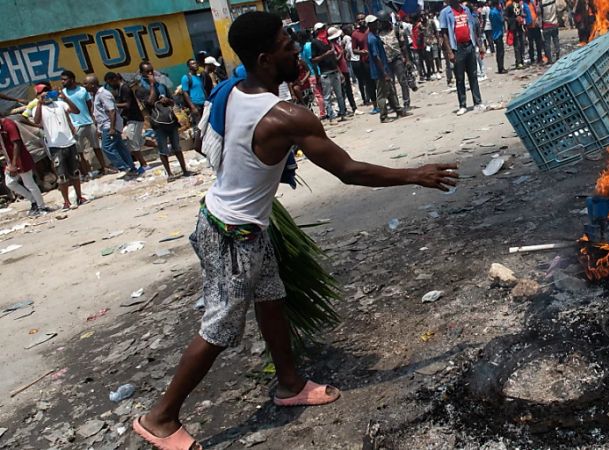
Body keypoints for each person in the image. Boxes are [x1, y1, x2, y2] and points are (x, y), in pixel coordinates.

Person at [131, 12, 459, 449]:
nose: (297, 50)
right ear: (266, 58)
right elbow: (348, 171)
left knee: (271, 300)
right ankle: (161, 418)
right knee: (220, 326)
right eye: (288, 46)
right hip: (232, 234)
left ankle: (289, 384)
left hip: (239, 224)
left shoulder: (232, 90)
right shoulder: (287, 116)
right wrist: (414, 174)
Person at [136, 62, 193, 181]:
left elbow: (173, 101)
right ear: (142, 73)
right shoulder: (141, 89)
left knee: (177, 147)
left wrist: (167, 100)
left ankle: (184, 170)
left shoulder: (161, 86)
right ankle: (169, 174)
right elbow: (149, 103)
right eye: (147, 72)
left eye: (151, 71)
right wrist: (152, 85)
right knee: (163, 149)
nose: (150, 74)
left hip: (170, 120)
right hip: (158, 123)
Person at [32, 83, 87, 210]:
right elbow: (36, 121)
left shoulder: (60, 104)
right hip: (55, 146)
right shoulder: (37, 108)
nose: (46, 94)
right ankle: (66, 201)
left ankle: (79, 197)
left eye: (47, 91)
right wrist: (40, 103)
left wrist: (65, 97)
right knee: (62, 176)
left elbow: (76, 111)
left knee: (75, 172)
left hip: (70, 142)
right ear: (38, 96)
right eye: (42, 93)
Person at [84, 75, 142, 180]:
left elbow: (112, 111)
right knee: (119, 146)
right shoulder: (96, 95)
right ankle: (132, 168)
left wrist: (112, 128)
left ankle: (123, 167)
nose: (84, 86)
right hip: (105, 125)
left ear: (92, 84)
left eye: (86, 84)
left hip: (109, 125)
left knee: (107, 147)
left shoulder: (103, 94)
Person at [60, 70, 111, 177]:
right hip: (75, 125)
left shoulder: (83, 90)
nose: (62, 82)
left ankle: (104, 167)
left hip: (88, 122)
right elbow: (64, 111)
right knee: (79, 152)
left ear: (72, 79)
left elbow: (90, 106)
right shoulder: (62, 93)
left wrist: (94, 120)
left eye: (65, 79)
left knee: (97, 147)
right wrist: (70, 125)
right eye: (62, 79)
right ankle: (86, 173)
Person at [440, 0, 485, 116]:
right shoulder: (445, 13)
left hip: (469, 45)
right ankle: (463, 105)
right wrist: (449, 52)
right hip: (457, 48)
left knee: (473, 75)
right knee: (459, 78)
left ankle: (478, 102)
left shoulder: (466, 10)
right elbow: (444, 33)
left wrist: (479, 45)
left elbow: (472, 28)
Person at [1, 116, 48, 216]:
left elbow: (17, 143)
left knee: (29, 184)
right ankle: (33, 200)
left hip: (20, 159)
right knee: (10, 183)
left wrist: (14, 164)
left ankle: (42, 206)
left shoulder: (9, 124)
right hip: (9, 160)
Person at [368, 14, 409, 123]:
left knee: (391, 91)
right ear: (370, 25)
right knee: (382, 94)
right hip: (380, 71)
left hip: (384, 68)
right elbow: (376, 57)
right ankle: (383, 116)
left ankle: (398, 110)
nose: (378, 24)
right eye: (375, 23)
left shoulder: (375, 36)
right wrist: (384, 73)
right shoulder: (372, 39)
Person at [107, 73, 149, 171]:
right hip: (133, 119)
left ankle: (143, 164)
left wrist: (113, 105)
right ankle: (165, 148)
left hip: (134, 118)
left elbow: (127, 105)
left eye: (110, 83)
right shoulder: (121, 89)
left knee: (132, 141)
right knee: (140, 141)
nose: (110, 86)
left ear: (115, 79)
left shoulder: (125, 89)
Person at [313, 26, 348, 122]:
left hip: (335, 71)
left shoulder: (329, 42)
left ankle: (342, 113)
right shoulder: (315, 43)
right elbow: (314, 59)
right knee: (327, 96)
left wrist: (340, 73)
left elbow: (334, 60)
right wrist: (326, 55)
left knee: (339, 95)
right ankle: (332, 117)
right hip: (325, 73)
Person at [387, 15, 414, 112]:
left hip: (398, 59)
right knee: (390, 84)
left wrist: (407, 59)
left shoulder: (396, 30)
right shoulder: (379, 34)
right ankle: (395, 105)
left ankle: (406, 102)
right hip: (386, 62)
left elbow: (403, 46)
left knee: (403, 81)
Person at [181, 59, 209, 151]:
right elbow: (185, 93)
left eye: (196, 63)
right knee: (199, 126)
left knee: (206, 125)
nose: (195, 65)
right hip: (195, 104)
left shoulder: (198, 77)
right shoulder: (186, 78)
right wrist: (192, 106)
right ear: (189, 66)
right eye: (192, 63)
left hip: (203, 104)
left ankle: (205, 145)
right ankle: (197, 147)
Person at [351, 15, 378, 107]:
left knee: (379, 81)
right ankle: (375, 104)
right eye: (359, 19)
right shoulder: (355, 34)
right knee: (369, 84)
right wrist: (361, 52)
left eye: (363, 18)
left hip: (376, 58)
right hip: (365, 61)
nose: (361, 21)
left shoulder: (372, 29)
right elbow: (354, 50)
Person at [301, 28, 327, 119]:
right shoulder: (308, 45)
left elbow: (312, 61)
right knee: (323, 93)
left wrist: (316, 74)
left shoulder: (306, 47)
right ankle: (327, 111)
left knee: (319, 95)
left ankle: (323, 113)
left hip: (314, 73)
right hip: (317, 72)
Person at [338, 25, 358, 115]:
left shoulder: (339, 43)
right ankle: (346, 109)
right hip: (342, 70)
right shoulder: (346, 39)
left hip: (345, 67)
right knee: (345, 90)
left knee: (346, 90)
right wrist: (342, 53)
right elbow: (336, 59)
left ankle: (350, 108)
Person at [506, 0, 526, 68]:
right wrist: (514, 19)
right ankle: (518, 62)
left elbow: (521, 14)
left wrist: (522, 17)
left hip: (520, 27)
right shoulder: (509, 6)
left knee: (522, 44)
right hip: (514, 28)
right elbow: (505, 17)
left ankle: (522, 60)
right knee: (517, 46)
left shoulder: (519, 6)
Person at [523, 0, 544, 64]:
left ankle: (539, 58)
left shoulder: (532, 3)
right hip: (529, 27)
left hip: (536, 26)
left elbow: (537, 12)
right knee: (531, 44)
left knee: (538, 43)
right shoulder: (523, 5)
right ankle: (532, 58)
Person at [490, 0, 507, 73]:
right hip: (498, 33)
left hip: (494, 33)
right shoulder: (496, 12)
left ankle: (500, 67)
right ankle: (501, 68)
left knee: (498, 52)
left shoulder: (491, 12)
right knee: (500, 52)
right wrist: (502, 13)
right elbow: (502, 20)